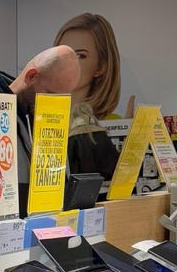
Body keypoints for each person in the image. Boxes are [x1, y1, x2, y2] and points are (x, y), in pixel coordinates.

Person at [0, 45, 80, 224]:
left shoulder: (42, 118)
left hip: (36, 236)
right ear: (31, 76)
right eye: (50, 93)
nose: (54, 102)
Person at [53, 13, 126, 183]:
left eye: (80, 55)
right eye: (61, 53)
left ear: (101, 67)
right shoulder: (33, 120)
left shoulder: (107, 127)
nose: (67, 63)